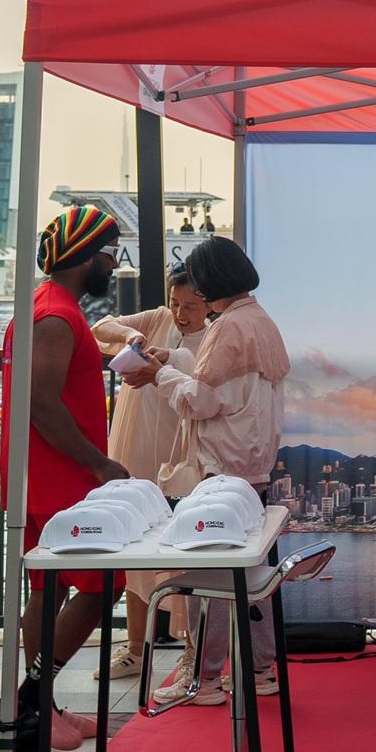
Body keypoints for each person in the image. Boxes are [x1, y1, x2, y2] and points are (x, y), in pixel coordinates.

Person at [0, 204, 152, 752]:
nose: (112, 265)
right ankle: (31, 702)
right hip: (65, 483)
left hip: (39, 479)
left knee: (45, 587)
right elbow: (42, 403)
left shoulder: (39, 308)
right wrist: (100, 464)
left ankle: (42, 708)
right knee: (100, 587)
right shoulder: (58, 316)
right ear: (86, 257)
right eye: (110, 255)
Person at [145, 238, 292, 708]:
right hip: (253, 467)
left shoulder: (229, 327)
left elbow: (202, 400)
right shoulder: (260, 320)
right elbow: (233, 389)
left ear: (208, 281)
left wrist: (159, 376)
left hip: (220, 469)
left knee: (202, 578)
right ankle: (262, 671)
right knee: (252, 579)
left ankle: (202, 680)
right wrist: (177, 365)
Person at [87, 266, 209, 682]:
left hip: (176, 456)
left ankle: (192, 650)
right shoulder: (157, 318)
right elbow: (102, 325)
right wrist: (129, 338)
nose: (181, 314)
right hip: (133, 448)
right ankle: (136, 648)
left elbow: (199, 380)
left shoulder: (212, 339)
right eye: (177, 304)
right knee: (134, 549)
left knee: (182, 555)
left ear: (209, 303)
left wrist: (165, 360)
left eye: (191, 306)